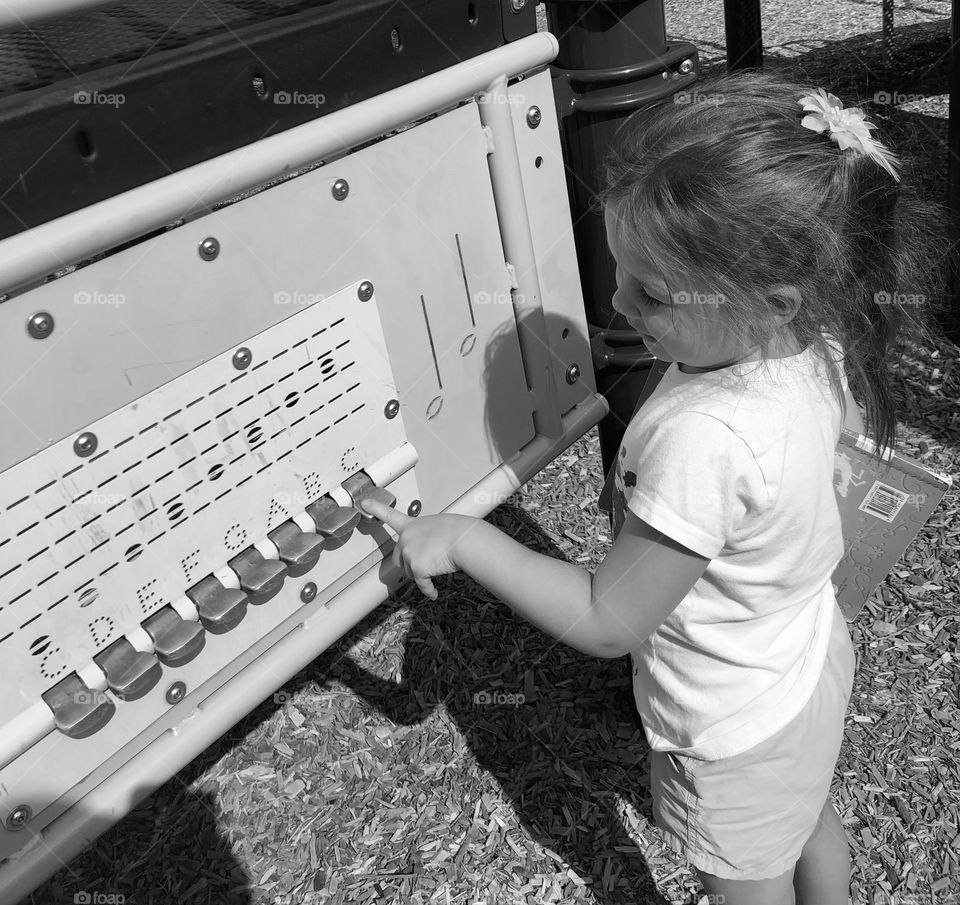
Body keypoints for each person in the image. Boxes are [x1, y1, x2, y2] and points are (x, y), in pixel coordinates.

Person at [359, 71, 945, 905]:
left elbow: (608, 618)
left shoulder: (706, 437)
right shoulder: (810, 341)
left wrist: (462, 536)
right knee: (807, 819)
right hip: (804, 659)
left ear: (771, 300)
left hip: (729, 725)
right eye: (622, 272)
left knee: (747, 875)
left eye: (651, 292)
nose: (617, 299)